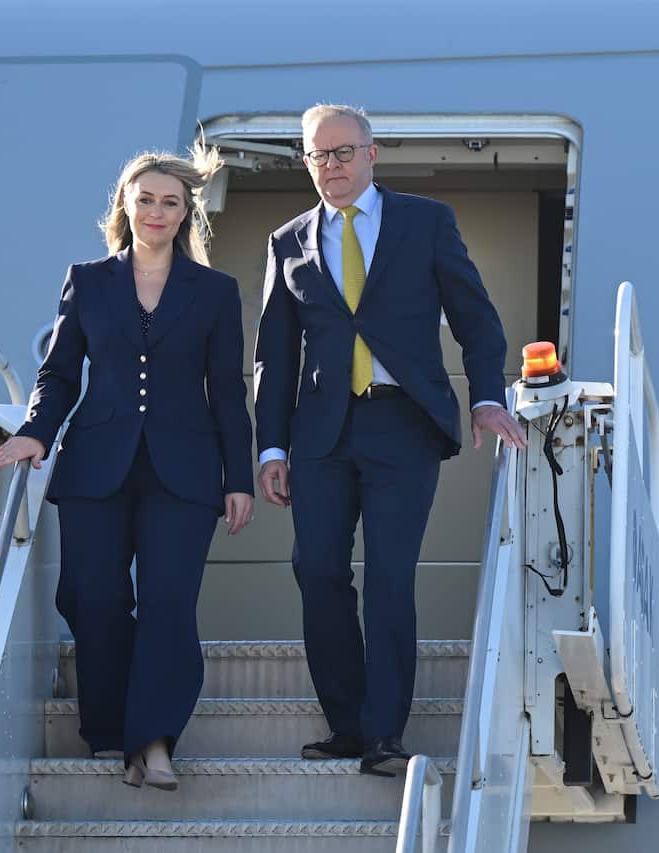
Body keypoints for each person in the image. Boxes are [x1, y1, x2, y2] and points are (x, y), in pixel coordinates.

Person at [252, 104, 528, 777]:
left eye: (343, 152)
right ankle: (346, 725)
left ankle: (384, 736)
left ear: (372, 154)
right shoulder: (288, 241)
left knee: (389, 576)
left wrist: (486, 397)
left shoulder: (424, 222)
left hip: (403, 423)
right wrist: (271, 447)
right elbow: (274, 357)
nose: (331, 166)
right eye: (318, 155)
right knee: (317, 570)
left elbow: (477, 319)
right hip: (320, 433)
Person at [0, 147, 255, 792]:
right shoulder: (87, 280)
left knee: (168, 601)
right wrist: (35, 432)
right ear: (125, 206)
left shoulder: (215, 292)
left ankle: (155, 741)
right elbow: (59, 372)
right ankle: (112, 729)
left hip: (186, 471)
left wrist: (238, 478)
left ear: (186, 212)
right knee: (95, 597)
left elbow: (227, 390)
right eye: (146, 199)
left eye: (171, 202)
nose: (157, 211)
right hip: (95, 466)